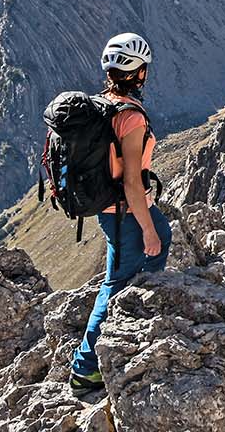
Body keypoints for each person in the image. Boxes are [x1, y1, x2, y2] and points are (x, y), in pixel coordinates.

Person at [68, 32, 172, 393]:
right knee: (117, 282)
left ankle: (117, 340)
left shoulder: (103, 104)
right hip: (125, 211)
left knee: (118, 274)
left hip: (110, 209)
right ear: (139, 73)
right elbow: (131, 181)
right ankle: (87, 368)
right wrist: (149, 229)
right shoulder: (130, 118)